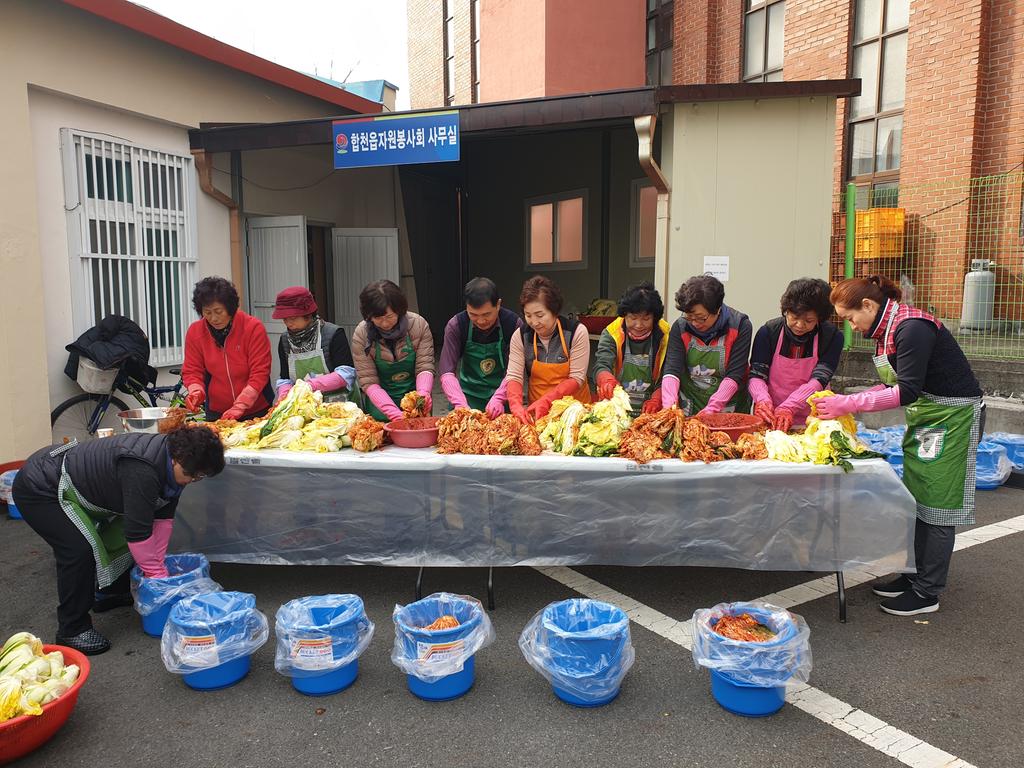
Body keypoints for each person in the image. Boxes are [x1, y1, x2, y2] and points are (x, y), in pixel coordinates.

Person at [819, 275, 984, 617]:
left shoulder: (912, 328)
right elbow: (894, 387)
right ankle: (913, 576)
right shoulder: (887, 330)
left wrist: (849, 403)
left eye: (851, 318)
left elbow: (906, 390)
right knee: (918, 498)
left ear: (868, 305)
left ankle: (927, 591)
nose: (852, 327)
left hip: (953, 419)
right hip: (928, 419)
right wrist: (846, 400)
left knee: (938, 505)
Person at [11, 428, 226, 655]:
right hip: (41, 486)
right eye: (192, 474)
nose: (192, 480)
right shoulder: (142, 469)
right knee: (77, 550)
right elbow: (138, 534)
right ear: (177, 459)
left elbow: (162, 521)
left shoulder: (175, 466)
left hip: (79, 486)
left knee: (125, 533)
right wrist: (157, 577)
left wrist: (159, 564)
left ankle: (110, 592)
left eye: (200, 477)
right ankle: (72, 629)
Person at [748, 278, 843, 432]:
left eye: (808, 320)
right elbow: (756, 376)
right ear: (786, 311)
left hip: (814, 417)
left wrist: (789, 407)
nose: (799, 325)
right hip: (771, 415)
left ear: (819, 318)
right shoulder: (768, 332)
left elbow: (819, 380)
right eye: (794, 317)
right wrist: (762, 399)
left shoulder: (831, 337)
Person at [182, 277, 273, 421]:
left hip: (256, 409)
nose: (213, 318)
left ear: (230, 308)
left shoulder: (252, 328)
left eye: (218, 311)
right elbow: (192, 370)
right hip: (217, 410)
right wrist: (195, 392)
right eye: (207, 312)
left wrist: (241, 405)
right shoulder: (195, 332)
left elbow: (260, 372)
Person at [661, 274, 752, 416]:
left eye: (701, 318)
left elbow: (735, 374)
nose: (694, 323)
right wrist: (669, 407)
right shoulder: (680, 327)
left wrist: (712, 408)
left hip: (728, 407)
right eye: (689, 317)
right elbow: (672, 370)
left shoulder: (740, 326)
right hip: (690, 403)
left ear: (718, 309)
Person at [505, 275, 591, 425]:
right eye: (528, 315)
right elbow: (514, 377)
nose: (534, 322)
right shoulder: (520, 336)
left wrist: (547, 401)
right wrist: (515, 405)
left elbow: (576, 378)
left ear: (554, 311)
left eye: (540, 315)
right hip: (538, 414)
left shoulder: (576, 332)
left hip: (575, 413)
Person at [350, 279, 434, 422]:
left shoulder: (418, 325)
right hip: (380, 405)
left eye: (389, 316)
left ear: (400, 310)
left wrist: (422, 395)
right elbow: (368, 380)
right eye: (377, 318)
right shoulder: (362, 334)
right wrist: (393, 413)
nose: (385, 323)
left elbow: (424, 366)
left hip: (415, 403)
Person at [439, 277, 523, 416]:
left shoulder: (513, 324)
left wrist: (499, 398)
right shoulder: (456, 325)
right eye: (473, 314)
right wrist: (459, 403)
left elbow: (515, 371)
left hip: (503, 397)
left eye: (487, 314)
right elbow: (446, 372)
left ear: (498, 304)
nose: (481, 321)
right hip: (467, 397)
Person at [593, 282, 670, 416]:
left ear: (655, 318)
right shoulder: (612, 333)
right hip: (616, 411)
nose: (639, 325)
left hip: (651, 413)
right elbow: (602, 365)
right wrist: (606, 380)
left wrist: (656, 399)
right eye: (633, 318)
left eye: (646, 319)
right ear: (624, 315)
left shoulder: (665, 335)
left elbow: (667, 374)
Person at [272, 286, 355, 403]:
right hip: (304, 405)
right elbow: (285, 378)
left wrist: (308, 386)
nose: (288, 323)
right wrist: (285, 397)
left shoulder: (333, 333)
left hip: (338, 404)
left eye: (293, 318)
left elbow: (345, 374)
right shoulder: (285, 340)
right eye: (284, 319)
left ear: (308, 314)